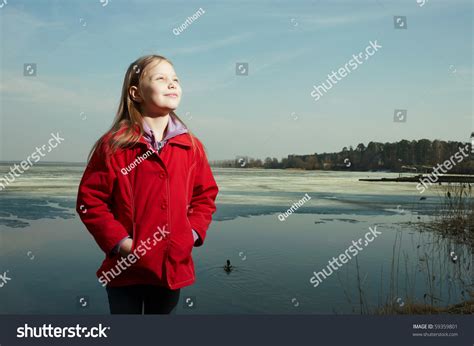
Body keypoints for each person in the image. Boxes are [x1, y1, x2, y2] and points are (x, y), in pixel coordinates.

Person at [76, 55, 219, 314]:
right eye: (160, 78)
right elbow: (90, 201)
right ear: (136, 92)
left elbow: (205, 195)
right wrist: (122, 243)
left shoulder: (191, 147)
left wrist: (191, 234)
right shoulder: (114, 146)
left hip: (172, 268)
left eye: (175, 79)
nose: (172, 84)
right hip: (126, 270)